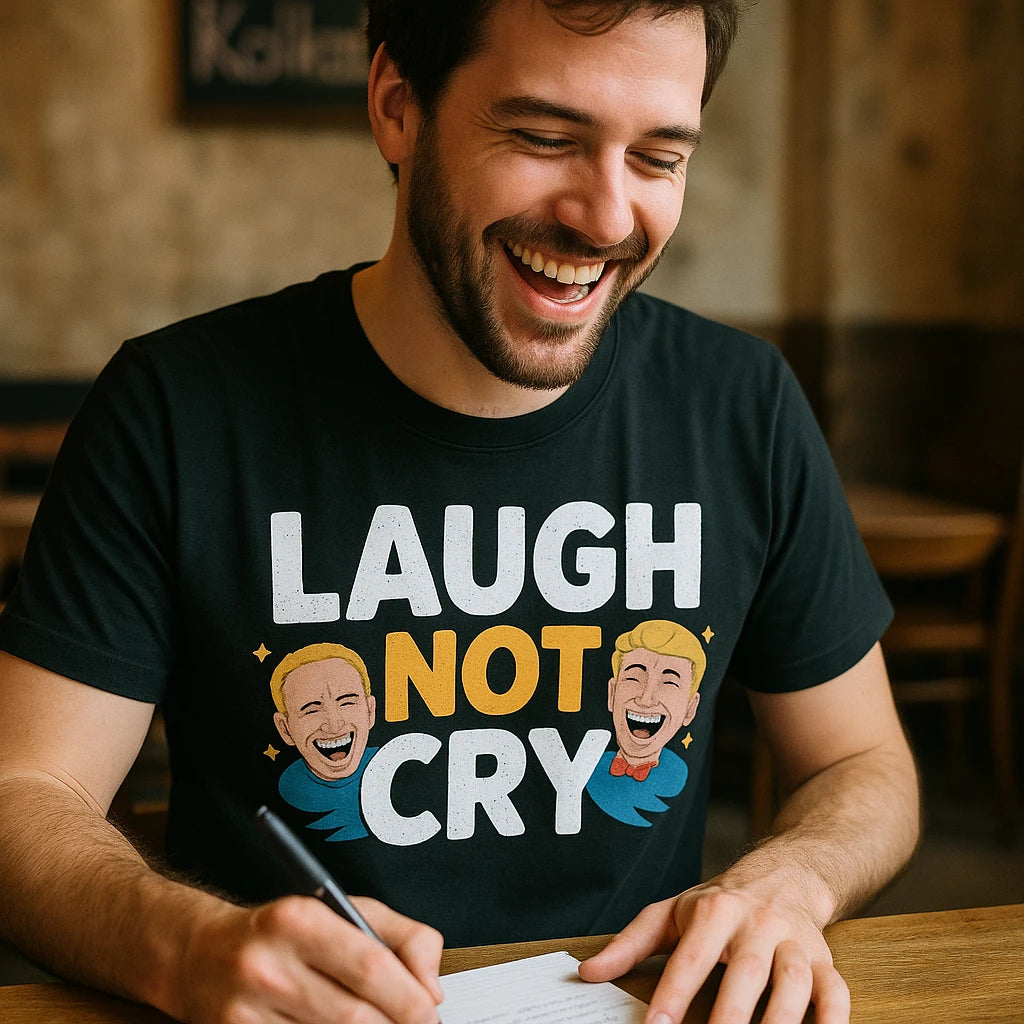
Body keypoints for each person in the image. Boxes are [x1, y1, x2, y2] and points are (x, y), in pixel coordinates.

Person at [0, 1, 920, 1022]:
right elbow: (22, 791)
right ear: (398, 107)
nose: (607, 217)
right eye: (541, 137)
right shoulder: (175, 408)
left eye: (658, 157)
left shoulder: (740, 404)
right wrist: (183, 943)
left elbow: (862, 762)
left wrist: (789, 879)